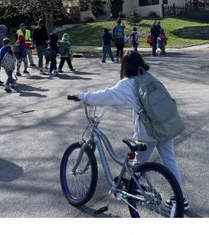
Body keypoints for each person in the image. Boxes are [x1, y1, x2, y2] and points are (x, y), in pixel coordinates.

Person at [75, 51, 187, 210]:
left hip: (148, 133)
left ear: (125, 66)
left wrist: (82, 96)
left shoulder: (128, 84)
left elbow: (106, 95)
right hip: (165, 125)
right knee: (169, 160)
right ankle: (180, 198)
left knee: (134, 165)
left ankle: (131, 190)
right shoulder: (149, 77)